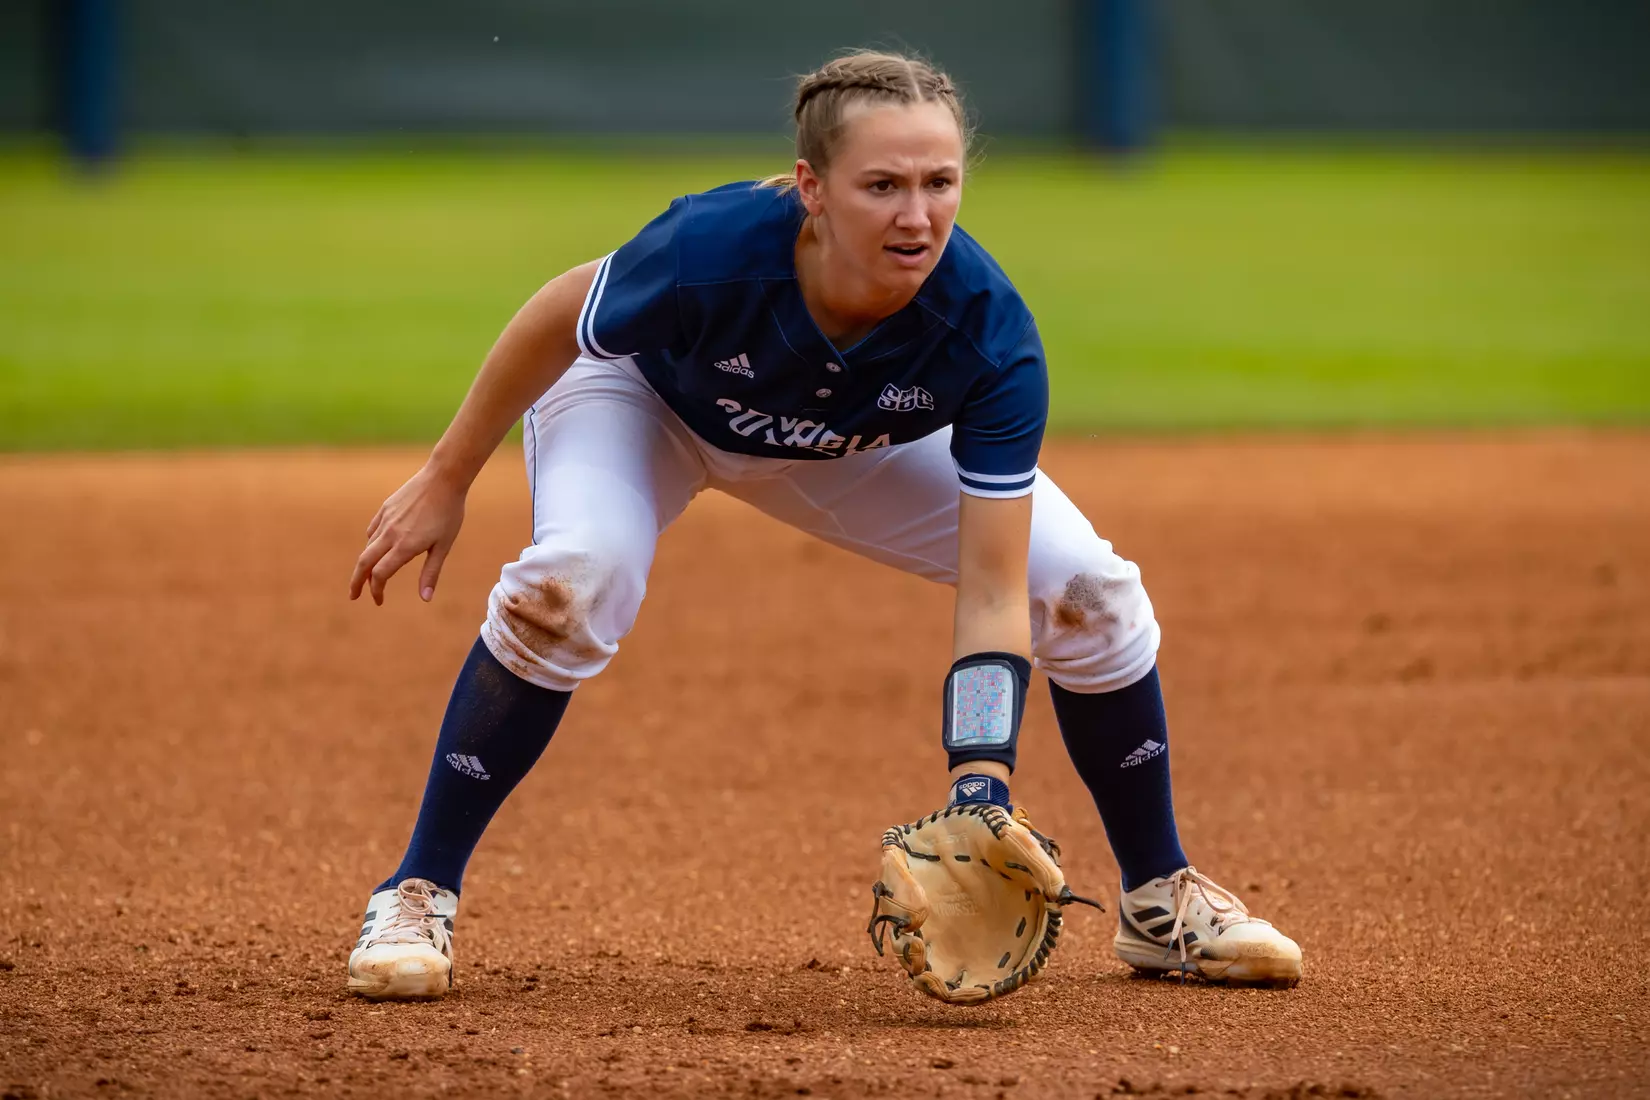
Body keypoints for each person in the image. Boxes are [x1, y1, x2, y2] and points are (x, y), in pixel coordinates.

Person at [345, 50, 1302, 1001]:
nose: (916, 215)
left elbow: (997, 587)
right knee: (575, 580)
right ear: (812, 186)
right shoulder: (713, 248)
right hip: (646, 401)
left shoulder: (988, 334)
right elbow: (563, 314)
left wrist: (982, 779)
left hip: (847, 440)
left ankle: (1156, 899)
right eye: (881, 184)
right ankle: (418, 890)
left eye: (940, 182)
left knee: (1091, 595)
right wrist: (447, 474)